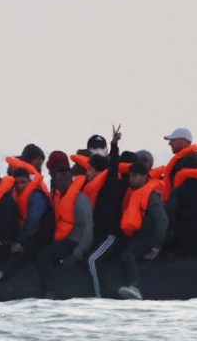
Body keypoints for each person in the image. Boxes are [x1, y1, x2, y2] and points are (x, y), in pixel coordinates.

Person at [84, 126, 129, 298]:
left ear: (96, 170)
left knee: (92, 260)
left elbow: (113, 167)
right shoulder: (91, 188)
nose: (87, 172)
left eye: (90, 169)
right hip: (100, 234)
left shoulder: (109, 185)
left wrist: (114, 144)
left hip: (112, 236)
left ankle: (99, 296)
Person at [37, 166, 93, 296]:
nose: (63, 182)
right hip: (62, 238)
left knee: (45, 256)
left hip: (75, 240)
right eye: (60, 180)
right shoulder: (58, 197)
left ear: (71, 180)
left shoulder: (80, 200)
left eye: (66, 179)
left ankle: (49, 291)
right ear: (55, 181)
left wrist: (77, 254)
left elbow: (88, 229)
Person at [117, 161, 169, 300]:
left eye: (135, 176)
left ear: (145, 177)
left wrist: (156, 248)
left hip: (150, 238)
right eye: (130, 175)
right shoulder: (134, 193)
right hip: (138, 235)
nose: (131, 179)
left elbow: (162, 222)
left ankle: (134, 285)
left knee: (128, 255)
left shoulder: (151, 197)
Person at [161, 127, 197, 202]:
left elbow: (191, 188)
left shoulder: (191, 160)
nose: (169, 143)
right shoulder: (184, 160)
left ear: (183, 141)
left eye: (173, 140)